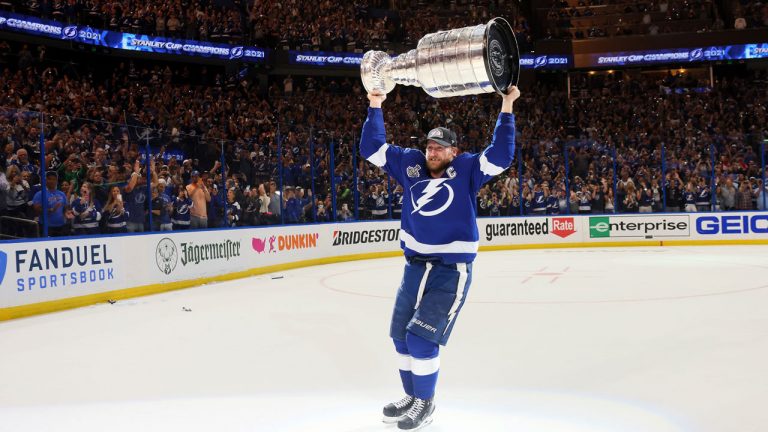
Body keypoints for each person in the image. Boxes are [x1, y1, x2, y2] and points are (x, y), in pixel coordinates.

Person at [361, 85, 519, 430]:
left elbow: (502, 155)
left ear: (454, 151)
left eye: (439, 147)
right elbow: (370, 147)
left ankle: (426, 403)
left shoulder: (467, 169)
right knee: (401, 336)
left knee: (421, 338)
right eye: (429, 146)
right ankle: (412, 397)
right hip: (415, 265)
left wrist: (507, 105)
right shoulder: (410, 164)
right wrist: (375, 104)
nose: (432, 152)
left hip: (450, 269)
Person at [32, 171, 69, 237]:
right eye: (49, 179)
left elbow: (65, 207)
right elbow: (36, 210)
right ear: (46, 180)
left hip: (61, 225)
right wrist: (50, 210)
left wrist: (67, 214)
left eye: (54, 179)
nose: (52, 181)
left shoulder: (61, 194)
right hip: (47, 227)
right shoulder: (39, 194)